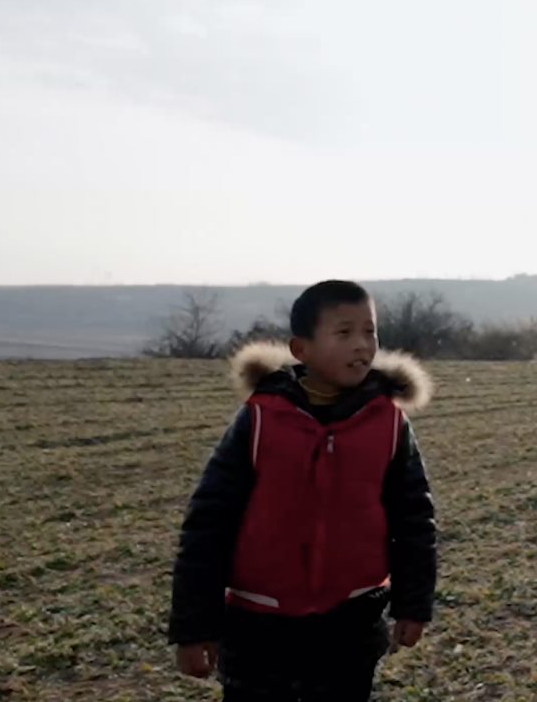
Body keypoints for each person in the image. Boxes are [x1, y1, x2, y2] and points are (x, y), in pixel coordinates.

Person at [168, 279, 438, 702]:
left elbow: (414, 522)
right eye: (344, 332)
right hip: (257, 626)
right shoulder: (259, 421)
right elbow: (208, 524)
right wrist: (193, 628)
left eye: (369, 332)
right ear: (301, 349)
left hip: (351, 623)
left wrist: (412, 606)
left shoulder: (388, 425)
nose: (362, 345)